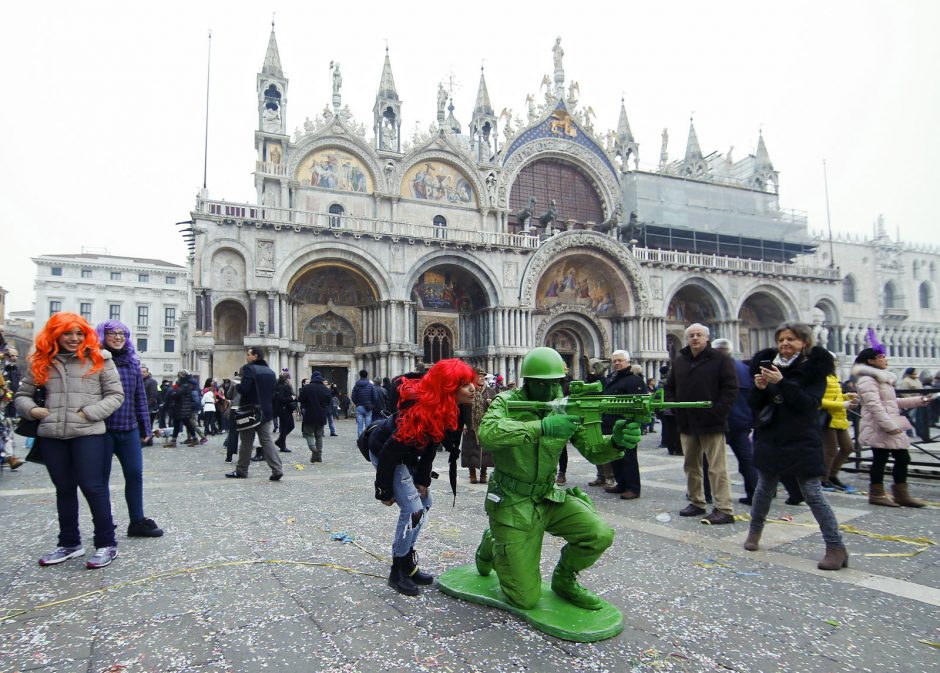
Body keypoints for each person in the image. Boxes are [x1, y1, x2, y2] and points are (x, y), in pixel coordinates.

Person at [473, 347, 642, 610]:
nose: (554, 391)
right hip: (513, 502)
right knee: (525, 599)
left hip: (547, 496)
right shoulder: (506, 401)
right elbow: (488, 434)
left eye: (557, 384)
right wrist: (541, 427)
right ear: (530, 383)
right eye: (546, 385)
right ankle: (493, 541)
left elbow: (593, 450)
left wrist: (617, 442)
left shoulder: (563, 407)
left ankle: (565, 580)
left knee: (598, 534)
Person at [15, 313, 124, 569]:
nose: (74, 339)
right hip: (53, 435)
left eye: (79, 333)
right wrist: (34, 411)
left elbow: (115, 395)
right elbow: (22, 395)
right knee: (63, 489)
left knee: (93, 487)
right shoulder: (41, 361)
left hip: (88, 434)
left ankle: (106, 544)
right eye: (67, 333)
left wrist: (89, 413)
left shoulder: (100, 359)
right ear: (55, 335)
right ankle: (69, 543)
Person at [744, 322, 849, 570]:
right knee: (764, 487)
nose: (784, 344)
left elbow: (809, 404)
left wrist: (781, 383)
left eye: (791, 339)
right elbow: (756, 405)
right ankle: (754, 533)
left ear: (804, 342)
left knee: (812, 491)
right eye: (781, 339)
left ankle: (836, 546)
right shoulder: (768, 366)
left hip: (801, 436)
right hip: (771, 435)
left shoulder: (815, 369)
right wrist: (759, 389)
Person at [369, 359, 476, 596]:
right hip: (384, 450)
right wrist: (384, 491)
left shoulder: (445, 408)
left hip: (407, 454)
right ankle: (397, 571)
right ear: (448, 386)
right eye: (464, 384)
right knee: (413, 510)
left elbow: (431, 443)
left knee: (425, 503)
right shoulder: (419, 412)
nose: (473, 388)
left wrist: (422, 480)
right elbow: (389, 453)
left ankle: (407, 561)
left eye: (471, 382)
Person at [96, 321, 163, 538]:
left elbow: (139, 397)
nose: (117, 337)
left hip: (129, 427)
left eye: (122, 333)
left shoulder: (133, 362)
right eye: (112, 333)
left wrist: (146, 427)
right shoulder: (95, 360)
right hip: (102, 429)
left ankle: (137, 521)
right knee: (100, 479)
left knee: (135, 474)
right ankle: (104, 523)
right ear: (102, 336)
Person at [665, 324, 738, 524]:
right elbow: (669, 387)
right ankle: (696, 501)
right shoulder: (680, 361)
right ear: (687, 338)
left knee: (717, 467)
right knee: (691, 464)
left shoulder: (720, 359)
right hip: (687, 421)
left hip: (712, 422)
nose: (695, 338)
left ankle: (724, 507)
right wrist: (675, 406)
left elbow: (730, 388)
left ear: (707, 337)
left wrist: (718, 410)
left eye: (699, 335)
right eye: (691, 336)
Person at [853, 348, 933, 507]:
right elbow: (874, 406)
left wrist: (919, 400)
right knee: (882, 459)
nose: (886, 359)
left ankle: (899, 495)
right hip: (880, 425)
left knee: (898, 458)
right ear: (870, 361)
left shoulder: (881, 379)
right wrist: (890, 426)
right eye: (881, 357)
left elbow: (891, 401)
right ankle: (878, 494)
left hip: (888, 422)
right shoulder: (867, 381)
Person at [710, 338, 759, 505]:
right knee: (746, 459)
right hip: (742, 420)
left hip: (716, 420)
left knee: (708, 459)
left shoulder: (712, 369)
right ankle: (754, 493)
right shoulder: (745, 369)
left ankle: (706, 493)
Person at [226, 347, 283, 481]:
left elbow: (244, 389)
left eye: (249, 354)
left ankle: (241, 470)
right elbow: (274, 393)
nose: (247, 357)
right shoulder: (270, 372)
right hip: (266, 411)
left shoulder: (249, 369)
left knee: (246, 442)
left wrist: (236, 384)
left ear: (255, 356)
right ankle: (277, 469)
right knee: (267, 441)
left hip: (250, 411)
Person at [602, 350, 646, 500]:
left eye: (620, 360)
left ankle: (633, 488)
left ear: (628, 362)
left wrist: (636, 423)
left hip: (627, 426)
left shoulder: (634, 380)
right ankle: (621, 483)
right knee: (616, 456)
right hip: (611, 425)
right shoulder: (612, 379)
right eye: (614, 361)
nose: (617, 363)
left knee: (629, 457)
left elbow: (641, 404)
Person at [819, 356, 859, 490]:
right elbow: (818, 401)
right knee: (830, 449)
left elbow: (834, 396)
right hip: (828, 417)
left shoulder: (833, 376)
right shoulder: (820, 377)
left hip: (839, 416)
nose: (836, 363)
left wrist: (846, 396)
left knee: (848, 447)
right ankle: (823, 478)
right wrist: (843, 403)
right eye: (833, 361)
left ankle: (832, 475)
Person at [461, 367, 497, 484]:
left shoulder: (490, 391)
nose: (482, 378)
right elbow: (460, 408)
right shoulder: (468, 390)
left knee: (486, 451)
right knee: (471, 450)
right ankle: (472, 473)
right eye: (479, 376)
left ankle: (483, 473)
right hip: (470, 424)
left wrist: (492, 404)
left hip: (486, 425)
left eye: (483, 376)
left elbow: (498, 407)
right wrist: (463, 424)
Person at [298, 371, 332, 464]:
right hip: (321, 415)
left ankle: (313, 449)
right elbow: (329, 401)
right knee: (319, 435)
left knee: (308, 433)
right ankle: (318, 456)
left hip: (309, 414)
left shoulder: (307, 388)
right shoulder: (325, 389)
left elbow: (300, 399)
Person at [273, 369, 296, 452]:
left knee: (289, 426)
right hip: (283, 409)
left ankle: (280, 441)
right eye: (288, 378)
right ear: (285, 379)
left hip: (287, 409)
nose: (289, 379)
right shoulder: (281, 386)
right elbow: (280, 398)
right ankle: (282, 444)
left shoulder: (286, 385)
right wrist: (291, 398)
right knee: (285, 427)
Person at [351, 369, 378, 435]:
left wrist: (356, 403)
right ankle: (366, 441)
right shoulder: (371, 385)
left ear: (360, 375)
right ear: (367, 375)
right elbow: (375, 397)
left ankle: (360, 441)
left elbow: (353, 396)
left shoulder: (356, 385)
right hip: (368, 407)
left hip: (359, 407)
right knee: (368, 427)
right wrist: (372, 405)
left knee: (359, 427)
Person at [141, 365, 159, 445]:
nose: (142, 373)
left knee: (148, 425)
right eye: (141, 371)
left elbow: (153, 396)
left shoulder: (152, 382)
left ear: (147, 372)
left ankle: (149, 441)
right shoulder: (139, 381)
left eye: (144, 372)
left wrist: (146, 406)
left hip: (149, 408)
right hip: (142, 407)